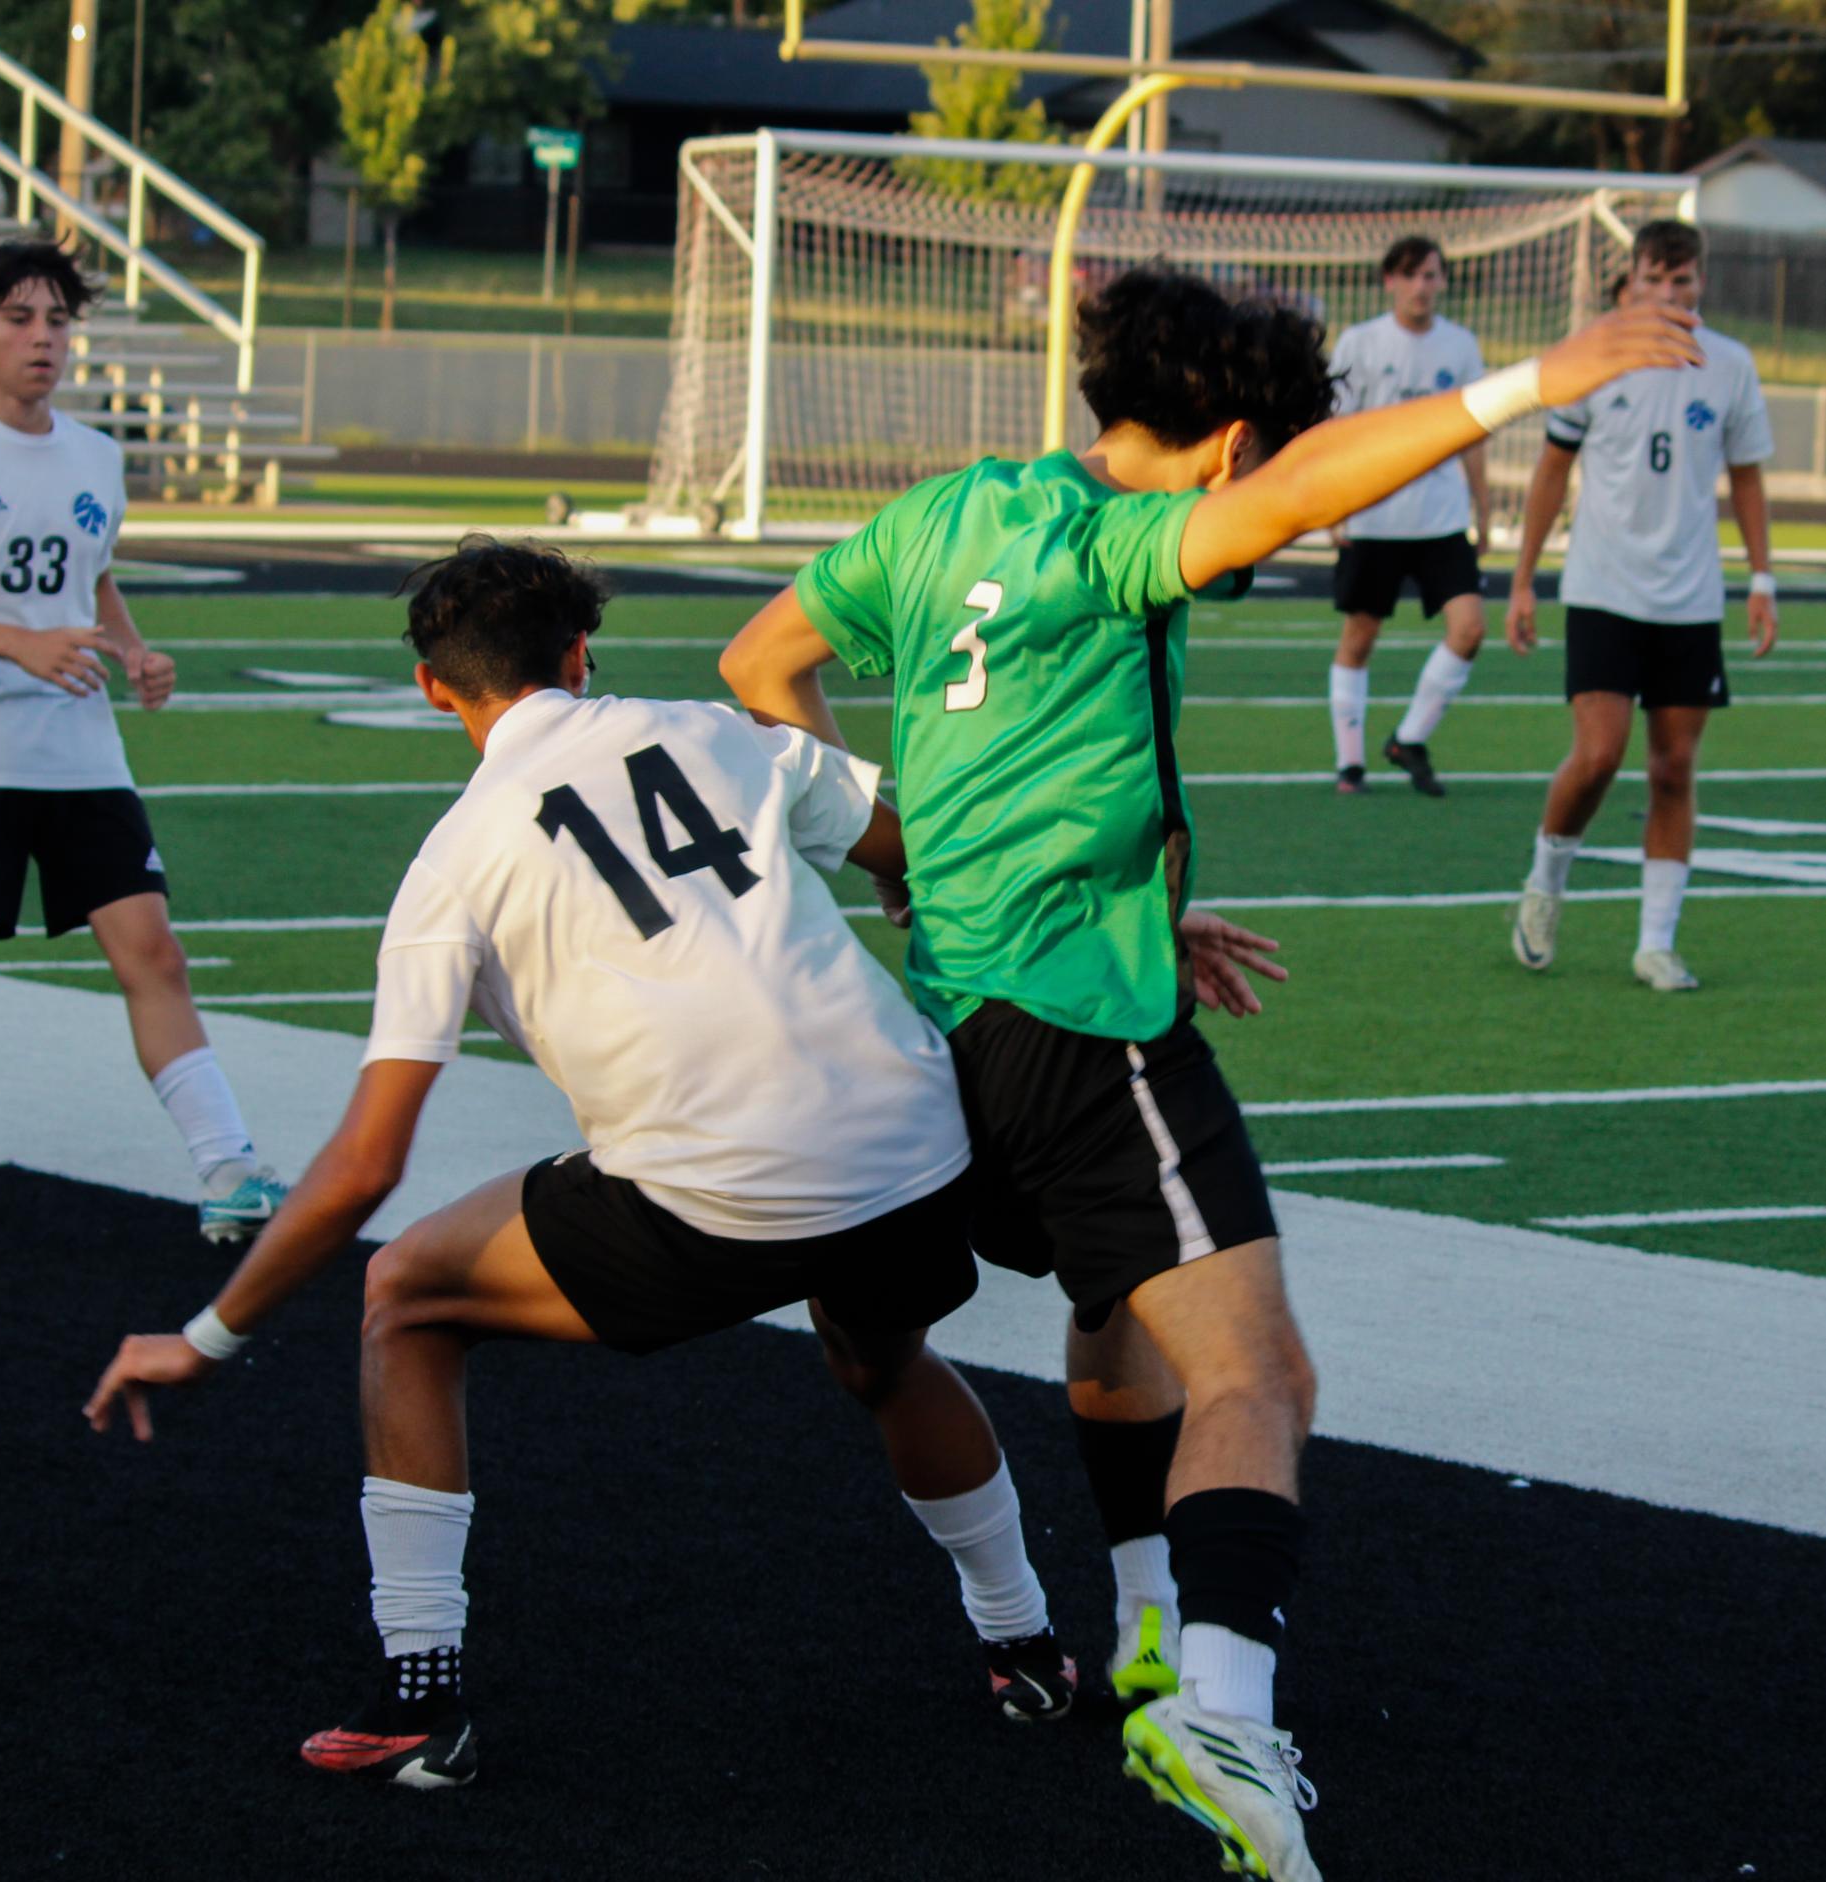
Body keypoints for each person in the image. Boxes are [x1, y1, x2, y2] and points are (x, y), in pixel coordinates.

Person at [719, 267, 1702, 1882]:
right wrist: (1542, 376)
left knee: (1122, 1313)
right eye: (1263, 467)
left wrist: (927, 863)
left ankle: (1149, 1628)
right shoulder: (1122, 532)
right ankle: (1226, 1709)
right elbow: (1273, 510)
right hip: (1086, 1024)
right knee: (1260, 1377)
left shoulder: (955, 506)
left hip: (963, 1008)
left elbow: (764, 665)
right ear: (1230, 437)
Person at [84, 539, 1074, 1791]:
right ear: (578, 653)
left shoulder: (453, 861)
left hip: (719, 1196)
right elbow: (915, 850)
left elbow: (362, 1166)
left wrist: (208, 1335)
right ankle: (1028, 1644)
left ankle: (421, 1697)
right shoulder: (713, 731)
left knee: (405, 1298)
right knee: (884, 1357)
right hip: (919, 1147)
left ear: (435, 689)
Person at [0, 239, 285, 1261]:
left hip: (83, 748)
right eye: (18, 319)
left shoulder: (94, 454)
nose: (43, 337)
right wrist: (18, 645)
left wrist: (131, 651)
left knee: (154, 953)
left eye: (56, 319)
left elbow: (88, 578)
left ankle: (227, 1167)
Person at [1508, 219, 1778, 991]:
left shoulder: (1728, 365)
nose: (1668, 293)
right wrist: (1523, 578)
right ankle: (1544, 885)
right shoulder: (1594, 360)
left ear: (1700, 284)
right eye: (1654, 279)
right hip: (1601, 588)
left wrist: (1760, 579)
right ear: (1629, 284)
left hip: (1688, 599)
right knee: (1598, 755)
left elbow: (1748, 479)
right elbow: (1550, 472)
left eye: (1682, 280)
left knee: (1673, 767)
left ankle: (1654, 941)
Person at [1325, 236, 1492, 797]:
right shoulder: (1360, 342)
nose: (1422, 286)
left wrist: (1483, 509)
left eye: (1431, 275)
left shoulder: (1461, 346)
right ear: (1389, 281)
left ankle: (1409, 738)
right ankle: (1350, 763)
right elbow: (1336, 433)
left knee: (1470, 628)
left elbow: (1472, 434)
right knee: (1360, 636)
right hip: (1374, 515)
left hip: (1441, 518)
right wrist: (1334, 504)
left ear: (1443, 282)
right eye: (1411, 275)